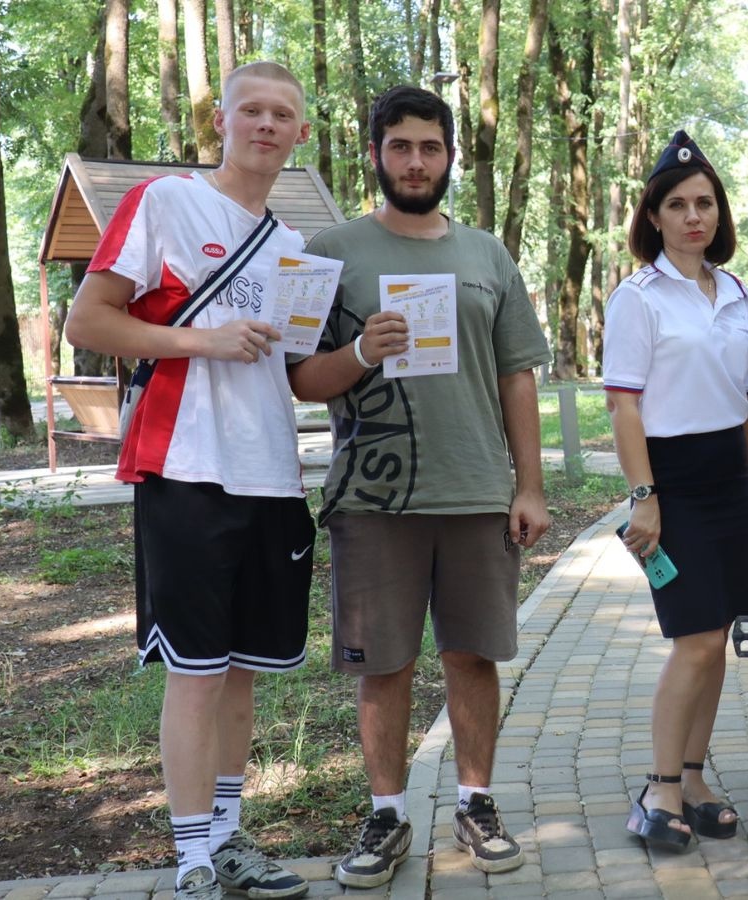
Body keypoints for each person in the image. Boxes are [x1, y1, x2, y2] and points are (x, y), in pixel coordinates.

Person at [285, 85, 552, 886]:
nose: (414, 161)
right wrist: (361, 352)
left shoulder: (487, 255)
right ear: (375, 153)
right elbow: (299, 379)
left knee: (473, 655)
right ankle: (386, 816)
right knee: (385, 664)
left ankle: (476, 803)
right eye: (399, 146)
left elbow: (517, 375)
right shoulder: (328, 250)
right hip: (374, 499)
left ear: (450, 157)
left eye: (429, 147)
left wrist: (530, 486)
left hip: (476, 492)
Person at [64, 62, 316, 900]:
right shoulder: (165, 201)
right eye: (252, 110)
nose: (267, 125)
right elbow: (88, 320)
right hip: (186, 467)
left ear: (301, 134)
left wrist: (366, 350)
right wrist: (201, 341)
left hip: (271, 475)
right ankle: (192, 860)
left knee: (242, 670)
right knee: (197, 671)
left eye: (283, 115)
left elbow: (299, 373)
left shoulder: (293, 247)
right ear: (222, 120)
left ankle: (230, 839)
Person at [603, 130, 748, 851]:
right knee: (694, 639)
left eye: (704, 202)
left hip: (729, 476)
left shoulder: (733, 291)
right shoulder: (637, 298)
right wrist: (644, 495)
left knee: (718, 636)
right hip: (671, 481)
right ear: (654, 216)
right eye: (677, 205)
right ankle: (659, 788)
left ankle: (694, 779)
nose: (693, 216)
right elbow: (624, 405)